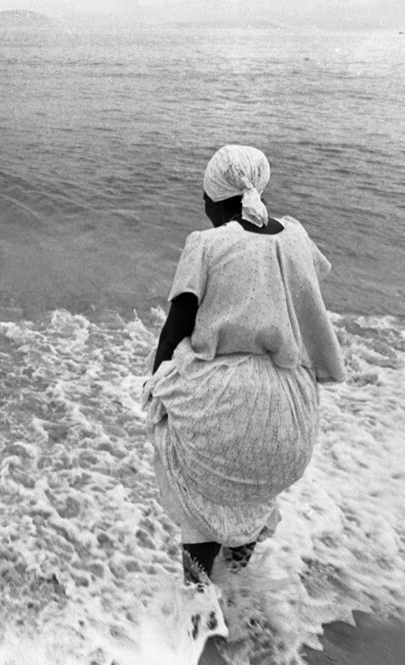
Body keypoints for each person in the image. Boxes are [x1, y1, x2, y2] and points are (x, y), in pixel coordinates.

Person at [145, 144, 346, 584]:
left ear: (214, 200)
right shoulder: (295, 235)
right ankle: (236, 591)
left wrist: (155, 386)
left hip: (226, 406)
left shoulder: (206, 243)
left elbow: (174, 330)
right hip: (290, 419)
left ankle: (196, 614)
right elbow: (307, 297)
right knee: (251, 501)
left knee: (200, 499)